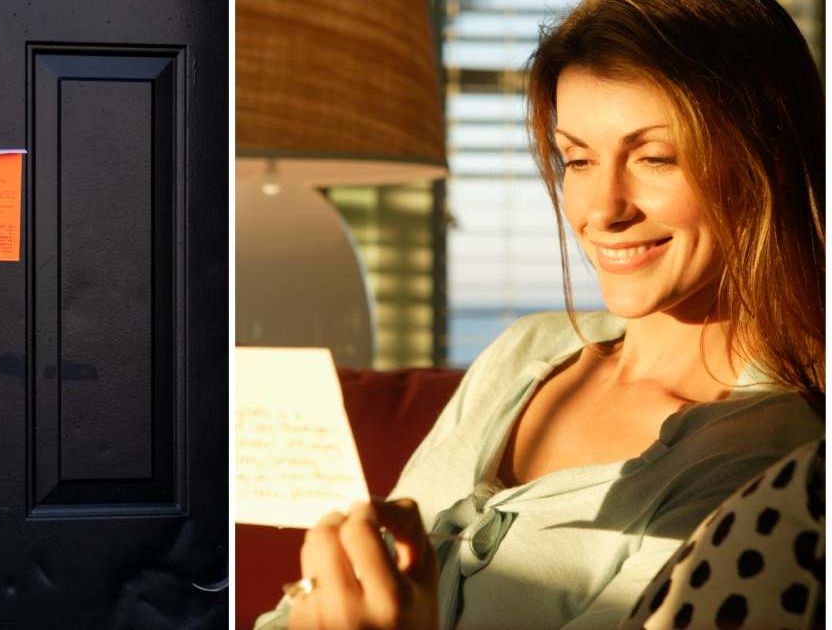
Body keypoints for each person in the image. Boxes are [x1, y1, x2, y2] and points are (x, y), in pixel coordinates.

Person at [254, 0, 824, 627]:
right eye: (577, 159)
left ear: (764, 161)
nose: (603, 209)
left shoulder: (767, 454)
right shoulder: (527, 352)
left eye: (656, 157)